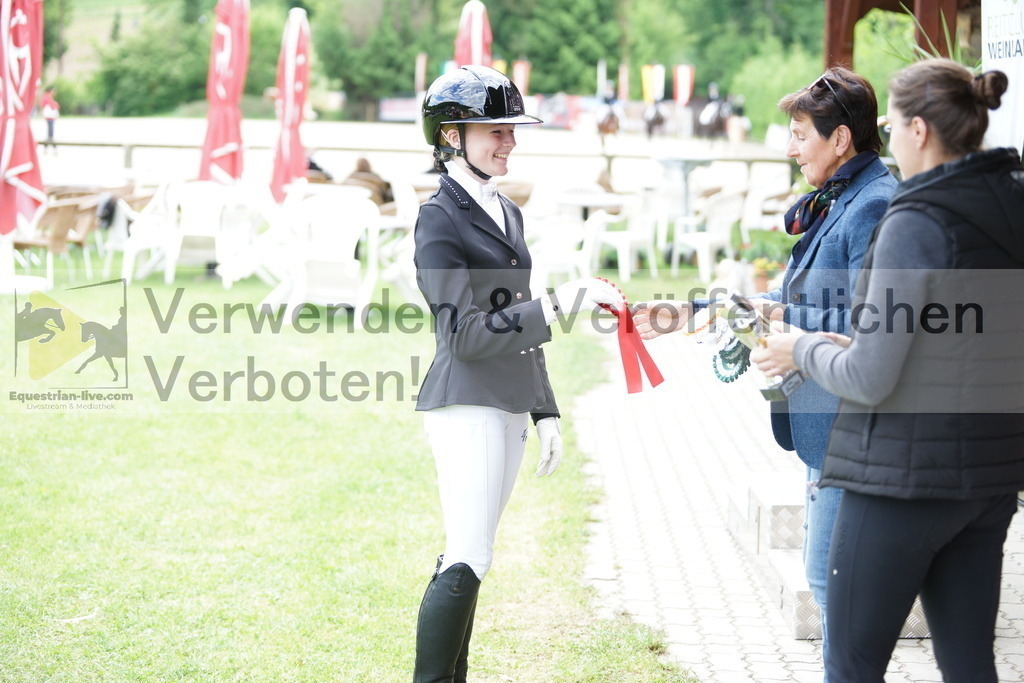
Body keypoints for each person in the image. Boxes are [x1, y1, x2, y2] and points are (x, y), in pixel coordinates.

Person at [751, 59, 1024, 682]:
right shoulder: (1010, 202)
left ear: (920, 130)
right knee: (969, 664)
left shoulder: (913, 218)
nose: (887, 137)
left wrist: (800, 348)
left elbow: (872, 371)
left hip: (906, 471)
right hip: (990, 476)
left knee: (850, 662)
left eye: (892, 124)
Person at [633, 66, 896, 677]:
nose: (789, 148)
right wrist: (686, 313)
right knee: (830, 585)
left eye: (801, 134)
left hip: (853, 430)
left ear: (840, 140)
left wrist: (795, 342)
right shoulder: (844, 196)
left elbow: (870, 328)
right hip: (827, 426)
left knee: (834, 588)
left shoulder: (873, 204)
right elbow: (789, 296)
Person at [412, 65, 622, 682]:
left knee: (473, 555)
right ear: (451, 135)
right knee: (467, 554)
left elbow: (516, 323)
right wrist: (562, 301)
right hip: (467, 401)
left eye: (510, 130)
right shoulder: (438, 219)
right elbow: (467, 333)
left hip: (507, 403)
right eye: (494, 130)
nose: (508, 141)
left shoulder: (506, 211)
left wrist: (544, 406)